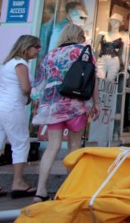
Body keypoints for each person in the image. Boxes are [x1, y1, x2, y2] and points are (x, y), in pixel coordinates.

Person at [31, 24, 99, 203]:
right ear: (79, 35)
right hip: (75, 105)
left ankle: (40, 190)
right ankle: (70, 188)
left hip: (53, 106)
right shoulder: (84, 51)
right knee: (74, 146)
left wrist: (39, 102)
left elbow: (39, 83)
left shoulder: (50, 54)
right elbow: (92, 79)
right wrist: (95, 103)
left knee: (52, 146)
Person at [0, 35, 41, 199]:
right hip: (12, 108)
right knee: (21, 143)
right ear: (27, 47)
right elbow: (25, 88)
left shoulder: (8, 63)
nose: (38, 50)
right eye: (36, 47)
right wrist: (34, 94)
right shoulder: (21, 64)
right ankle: (18, 182)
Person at [95, 14, 127, 82]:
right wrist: (93, 61)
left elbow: (123, 55)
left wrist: (125, 68)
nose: (114, 22)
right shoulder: (102, 34)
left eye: (117, 21)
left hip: (114, 60)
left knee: (110, 82)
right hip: (102, 59)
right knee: (99, 80)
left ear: (120, 23)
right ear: (110, 21)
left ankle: (107, 92)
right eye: (112, 20)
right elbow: (95, 49)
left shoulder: (123, 37)